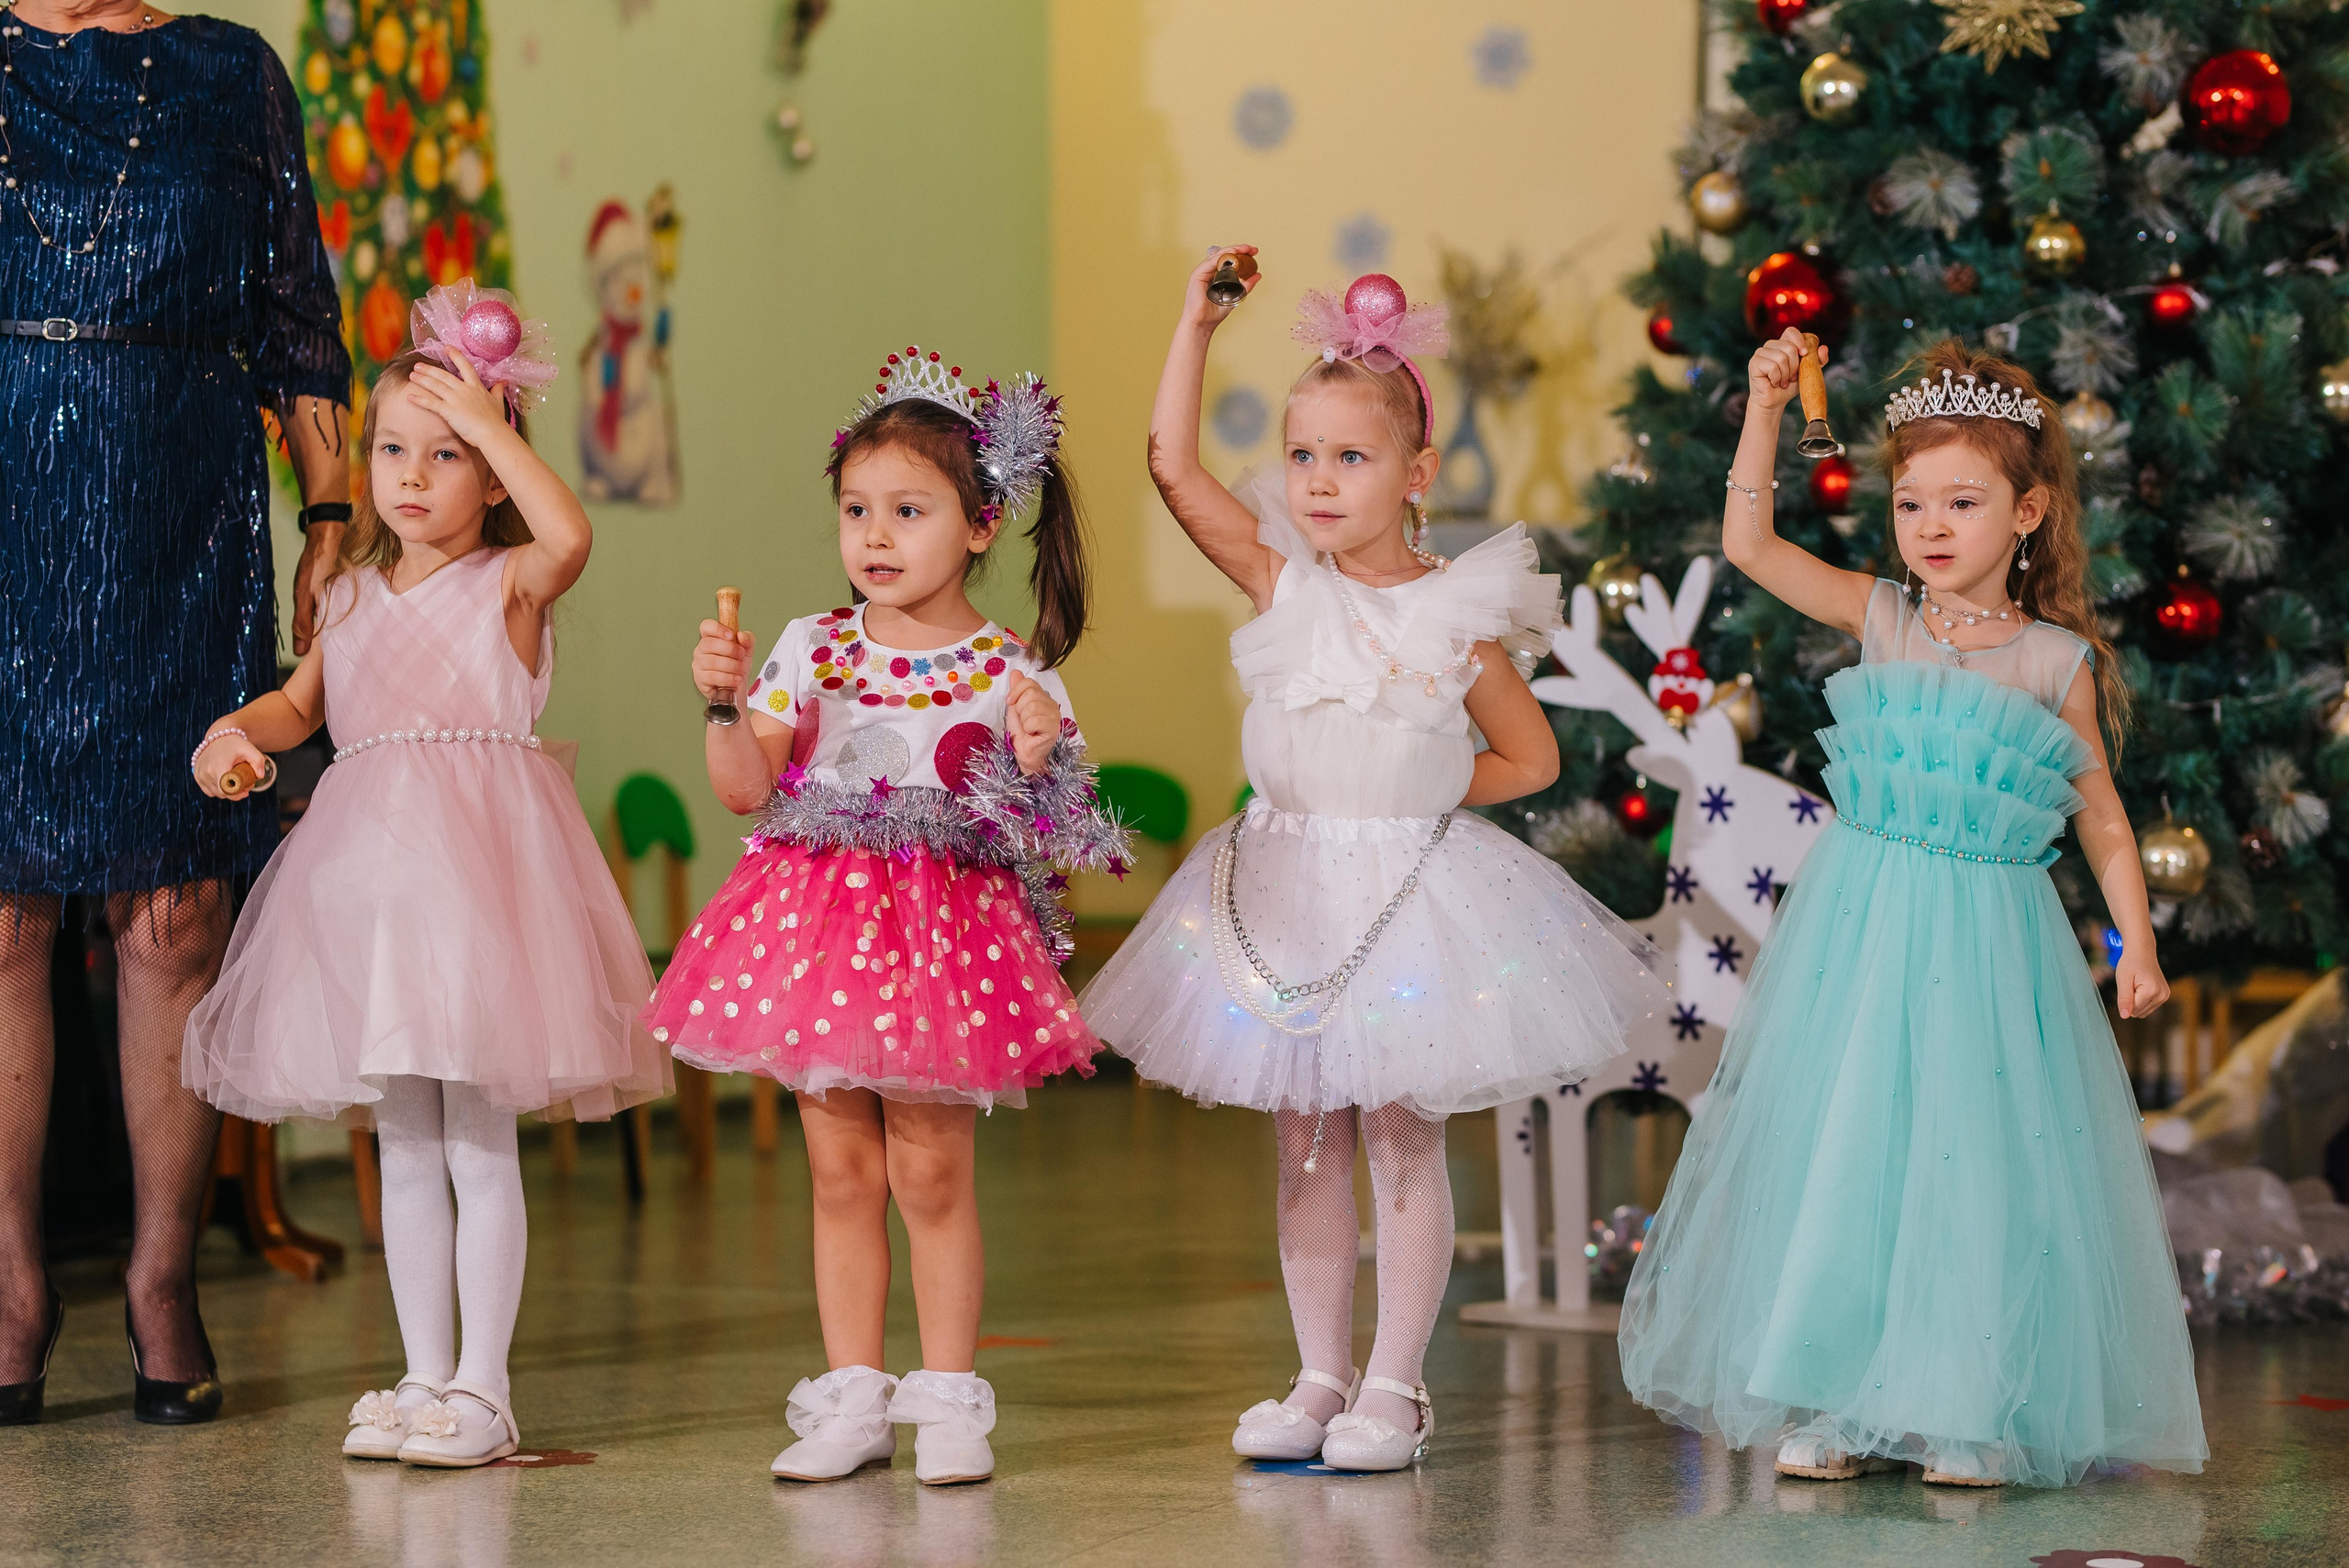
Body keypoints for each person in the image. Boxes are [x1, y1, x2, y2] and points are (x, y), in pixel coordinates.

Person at [1081, 254, 1665, 1472]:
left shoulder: (1456, 615)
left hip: (1405, 902)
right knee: (1305, 1141)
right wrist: (1194, 324)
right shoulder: (1280, 582)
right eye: (1303, 454)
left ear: (1416, 473)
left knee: (1401, 1135)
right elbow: (1172, 466)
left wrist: (1415, 788)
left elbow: (1531, 757)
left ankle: (1395, 1384)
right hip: (1284, 889)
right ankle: (1317, 1374)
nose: (1319, 478)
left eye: (1351, 455)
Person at [1616, 333, 2209, 1488]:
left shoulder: (2052, 660)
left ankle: (1961, 1403)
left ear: (2028, 511)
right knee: (1851, 1147)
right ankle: (1833, 1392)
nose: (1931, 525)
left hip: (1988, 942)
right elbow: (1748, 545)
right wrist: (1763, 409)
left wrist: (2135, 936)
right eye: (1910, 502)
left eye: (1962, 501)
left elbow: (2100, 815)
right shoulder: (1884, 616)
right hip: (1865, 932)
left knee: (1969, 1157)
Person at [182, 283, 666, 1468]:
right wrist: (230, 735)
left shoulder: (509, 585)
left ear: (493, 474)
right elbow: (298, 708)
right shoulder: (345, 595)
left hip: (481, 896)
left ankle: (486, 1389)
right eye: (392, 448)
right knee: (402, 1138)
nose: (410, 475)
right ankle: (422, 1372)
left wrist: (491, 422)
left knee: (476, 1140)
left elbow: (571, 537)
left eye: (445, 455)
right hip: (372, 901)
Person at [647, 346, 1123, 1485]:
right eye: (857, 509)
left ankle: (948, 1400)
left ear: (980, 523)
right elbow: (744, 790)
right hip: (818, 941)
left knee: (931, 1175)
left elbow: (1063, 826)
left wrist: (1035, 754)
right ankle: (853, 1399)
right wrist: (722, 704)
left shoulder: (1008, 666)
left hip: (939, 952)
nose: (874, 534)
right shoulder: (810, 646)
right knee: (841, 1174)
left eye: (908, 510)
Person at [0, 0, 353, 1428]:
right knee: (2, 919)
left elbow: (300, 324)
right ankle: (11, 1293)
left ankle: (162, 1280)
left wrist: (328, 516)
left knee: (176, 916)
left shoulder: (230, 70)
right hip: (7, 529)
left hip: (181, 527)